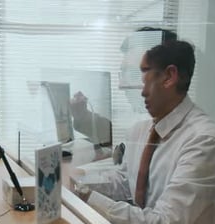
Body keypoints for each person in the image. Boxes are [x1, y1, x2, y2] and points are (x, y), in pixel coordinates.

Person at [74, 40, 215, 224]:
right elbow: (123, 181)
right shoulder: (141, 131)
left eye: (141, 76)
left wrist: (87, 197)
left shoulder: (205, 142)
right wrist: (75, 184)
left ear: (169, 77)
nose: (136, 89)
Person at [69, 27, 178, 161]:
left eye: (134, 74)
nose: (122, 86)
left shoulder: (195, 142)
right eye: (123, 73)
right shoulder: (142, 119)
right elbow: (117, 133)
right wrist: (83, 116)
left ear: (168, 77)